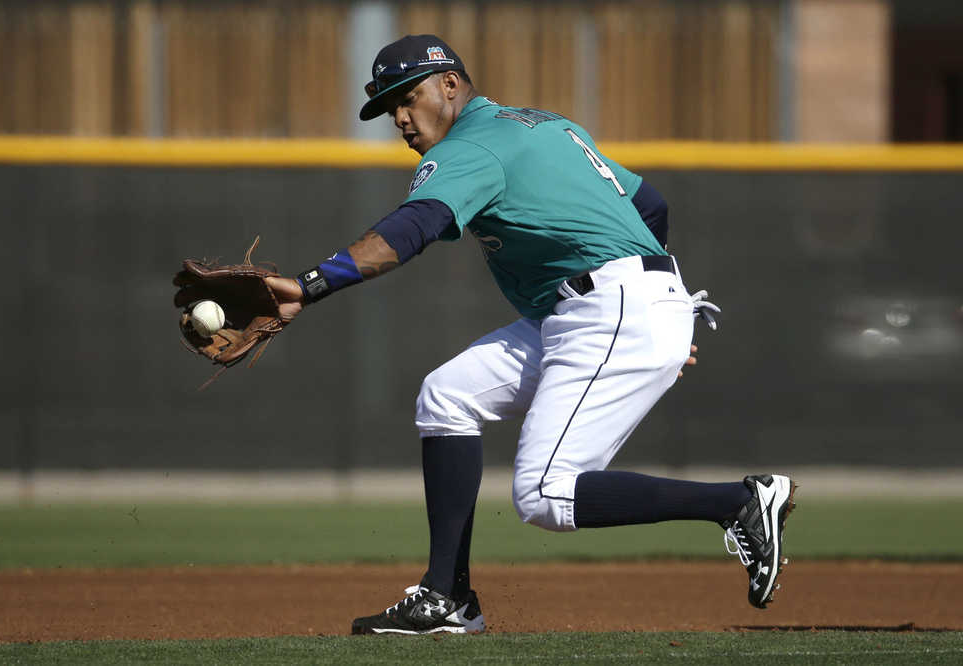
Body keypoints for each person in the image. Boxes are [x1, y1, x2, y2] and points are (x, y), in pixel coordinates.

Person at [264, 35, 796, 635]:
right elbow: (650, 203)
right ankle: (448, 598)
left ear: (449, 85)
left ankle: (737, 503)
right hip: (606, 308)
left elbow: (411, 229)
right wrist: (659, 306)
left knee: (547, 495)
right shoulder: (545, 125)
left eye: (407, 98)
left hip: (611, 308)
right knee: (447, 395)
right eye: (390, 109)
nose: (401, 119)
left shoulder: (471, 147)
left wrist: (309, 285)